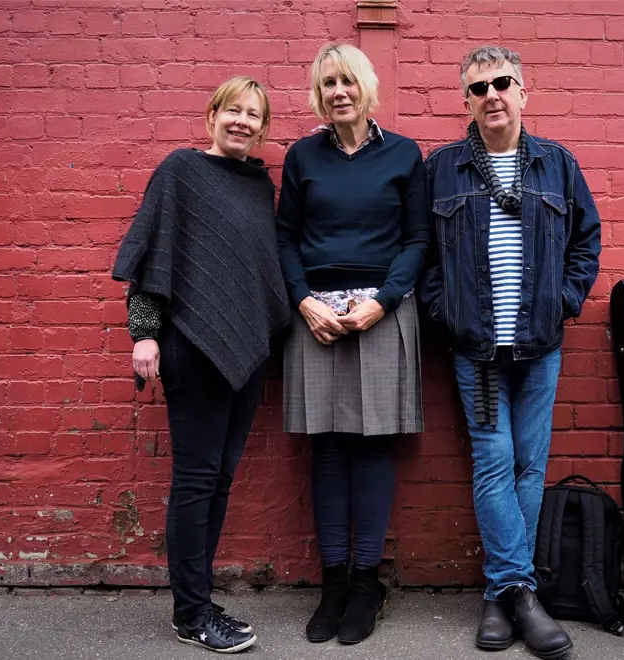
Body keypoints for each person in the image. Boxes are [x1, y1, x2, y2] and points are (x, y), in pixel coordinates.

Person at [419, 45, 601, 659]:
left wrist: (564, 301)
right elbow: (421, 255)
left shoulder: (557, 165)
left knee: (530, 464)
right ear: (465, 100)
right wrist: (446, 314)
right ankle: (520, 594)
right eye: (478, 88)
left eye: (502, 84)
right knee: (495, 462)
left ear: (524, 91)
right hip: (478, 354)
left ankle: (503, 596)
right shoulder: (441, 168)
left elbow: (586, 241)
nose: (491, 95)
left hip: (539, 346)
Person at [112, 76, 291, 654]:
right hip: (190, 346)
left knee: (219, 480)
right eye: (232, 111)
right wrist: (144, 334)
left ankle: (198, 596)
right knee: (195, 481)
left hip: (244, 354)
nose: (242, 122)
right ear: (212, 114)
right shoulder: (180, 171)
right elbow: (151, 252)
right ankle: (190, 614)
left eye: (253, 115)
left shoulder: (258, 186)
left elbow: (257, 270)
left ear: (262, 128)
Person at [276, 42, 429, 645]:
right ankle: (333, 581)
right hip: (314, 314)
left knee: (372, 449)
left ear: (367, 87)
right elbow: (285, 238)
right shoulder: (302, 156)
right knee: (329, 448)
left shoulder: (404, 155)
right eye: (327, 83)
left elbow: (418, 240)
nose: (338, 91)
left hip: (381, 312)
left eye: (347, 81)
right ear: (319, 93)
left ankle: (367, 582)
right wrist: (304, 300)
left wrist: (382, 302)